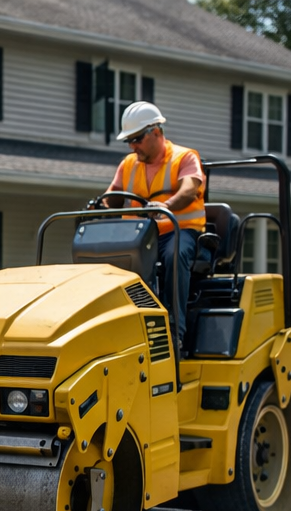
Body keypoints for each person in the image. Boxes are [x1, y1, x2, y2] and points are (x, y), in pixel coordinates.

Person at [104, 101, 204, 347]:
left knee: (174, 255)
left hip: (178, 232)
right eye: (129, 141)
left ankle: (175, 332)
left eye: (136, 139)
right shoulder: (128, 164)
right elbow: (111, 195)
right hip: (136, 236)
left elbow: (189, 190)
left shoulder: (185, 157)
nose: (132, 146)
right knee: (105, 258)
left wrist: (165, 206)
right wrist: (100, 205)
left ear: (156, 132)